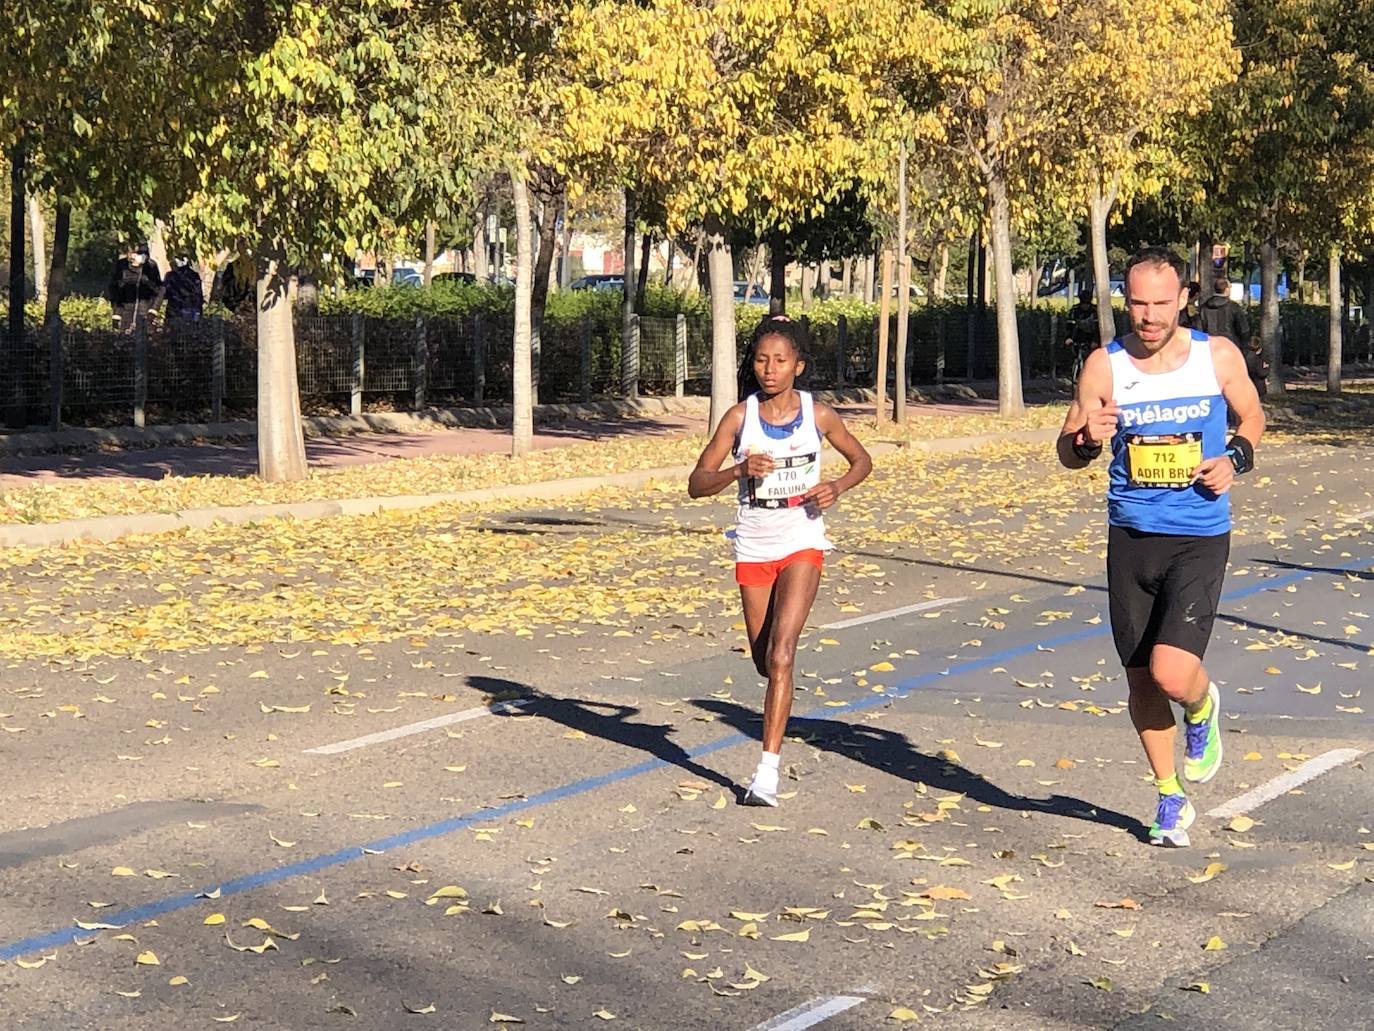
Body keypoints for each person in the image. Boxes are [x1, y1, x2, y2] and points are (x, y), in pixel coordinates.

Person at [1056, 246, 1264, 848]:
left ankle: (1202, 706)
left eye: (1160, 303)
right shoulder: (1105, 364)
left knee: (1174, 674)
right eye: (1138, 303)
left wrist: (1236, 459)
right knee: (1141, 679)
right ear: (1128, 300)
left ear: (1183, 299)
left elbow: (1252, 417)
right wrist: (1087, 439)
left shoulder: (1214, 356)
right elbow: (1067, 450)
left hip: (1198, 534)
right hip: (1131, 536)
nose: (1148, 316)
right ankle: (1170, 796)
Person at [688, 316, 872, 807]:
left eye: (780, 361)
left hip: (802, 535)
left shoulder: (819, 414)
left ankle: (766, 774)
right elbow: (696, 483)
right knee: (764, 659)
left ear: (798, 366)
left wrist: (837, 486)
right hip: (753, 540)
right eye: (762, 360)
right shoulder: (738, 417)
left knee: (783, 651)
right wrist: (737, 470)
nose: (770, 369)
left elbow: (862, 461)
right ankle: (780, 691)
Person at [107, 242, 163, 334]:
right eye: (137, 253)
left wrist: (153, 310)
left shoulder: (151, 266)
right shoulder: (121, 266)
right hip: (126, 313)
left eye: (143, 253)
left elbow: (159, 290)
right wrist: (116, 313)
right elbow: (115, 290)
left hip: (145, 312)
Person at [1196, 275, 1251, 346]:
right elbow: (1244, 330)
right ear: (1227, 289)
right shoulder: (1233, 307)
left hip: (1210, 345)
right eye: (1230, 287)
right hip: (1230, 346)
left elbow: (1199, 329)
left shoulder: (1204, 308)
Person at [1065, 287, 1099, 379]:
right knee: (1075, 354)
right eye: (1083, 304)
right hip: (1077, 337)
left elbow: (1097, 327)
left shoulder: (1094, 311)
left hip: (1091, 338)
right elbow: (1070, 325)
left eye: (1087, 304)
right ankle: (1074, 373)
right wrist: (1068, 337)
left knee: (1091, 358)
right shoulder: (1075, 310)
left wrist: (1095, 340)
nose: (1085, 306)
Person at [163, 256, 204, 322]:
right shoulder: (194, 275)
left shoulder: (171, 276)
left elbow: (164, 294)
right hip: (182, 311)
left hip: (177, 312)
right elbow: (199, 296)